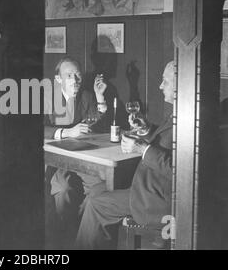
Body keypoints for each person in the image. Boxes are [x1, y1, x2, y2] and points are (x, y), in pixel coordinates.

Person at [75, 61, 175, 249]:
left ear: (180, 84)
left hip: (156, 199)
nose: (160, 86)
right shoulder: (180, 113)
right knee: (95, 191)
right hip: (146, 187)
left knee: (97, 204)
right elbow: (165, 143)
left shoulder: (186, 119)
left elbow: (180, 172)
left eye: (165, 81)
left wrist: (142, 148)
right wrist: (146, 129)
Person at [44, 56, 110, 248]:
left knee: (98, 188)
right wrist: (66, 132)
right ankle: (62, 235)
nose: (75, 79)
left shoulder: (87, 96)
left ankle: (80, 234)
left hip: (83, 159)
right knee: (63, 187)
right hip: (56, 161)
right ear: (58, 80)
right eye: (69, 75)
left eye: (78, 75)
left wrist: (100, 98)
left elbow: (99, 127)